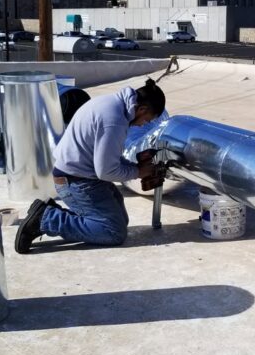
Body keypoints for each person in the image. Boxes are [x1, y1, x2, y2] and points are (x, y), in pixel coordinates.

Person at [15, 78, 166, 252]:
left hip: (81, 175)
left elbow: (107, 158)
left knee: (120, 221)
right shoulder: (114, 120)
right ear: (141, 109)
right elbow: (106, 171)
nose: (142, 125)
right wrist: (138, 171)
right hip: (75, 182)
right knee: (114, 232)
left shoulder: (114, 104)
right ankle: (47, 218)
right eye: (146, 121)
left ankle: (55, 213)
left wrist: (132, 165)